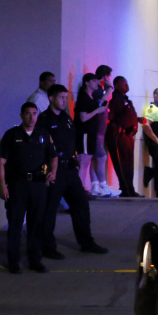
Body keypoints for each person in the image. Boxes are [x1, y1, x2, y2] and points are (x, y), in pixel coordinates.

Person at [37, 84, 108, 259]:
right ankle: (47, 247)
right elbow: (41, 147)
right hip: (55, 169)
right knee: (50, 209)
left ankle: (86, 242)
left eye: (65, 97)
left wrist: (75, 160)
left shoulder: (66, 118)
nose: (64, 100)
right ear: (51, 98)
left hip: (70, 169)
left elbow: (72, 140)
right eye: (60, 97)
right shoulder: (44, 120)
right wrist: (47, 171)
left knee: (81, 205)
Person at [0, 102, 58, 274]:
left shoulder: (44, 134)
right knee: (15, 225)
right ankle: (13, 262)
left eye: (34, 113)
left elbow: (53, 157)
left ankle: (34, 260)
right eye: (28, 114)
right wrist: (2, 186)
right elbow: (1, 162)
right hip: (17, 185)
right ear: (22, 115)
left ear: (38, 115)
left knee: (36, 224)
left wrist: (53, 173)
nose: (32, 117)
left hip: (38, 185)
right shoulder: (11, 135)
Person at [75, 72, 119, 197]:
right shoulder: (83, 98)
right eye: (94, 81)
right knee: (83, 163)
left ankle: (82, 189)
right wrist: (97, 110)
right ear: (87, 83)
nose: (96, 83)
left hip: (91, 133)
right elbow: (83, 118)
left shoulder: (90, 97)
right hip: (85, 133)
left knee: (87, 162)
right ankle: (79, 190)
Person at [105, 76, 142, 197]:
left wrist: (136, 120)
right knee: (122, 163)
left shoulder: (124, 99)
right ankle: (125, 189)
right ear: (116, 85)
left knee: (129, 163)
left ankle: (130, 189)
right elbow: (110, 117)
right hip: (119, 136)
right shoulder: (115, 99)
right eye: (124, 84)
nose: (127, 86)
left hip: (128, 136)